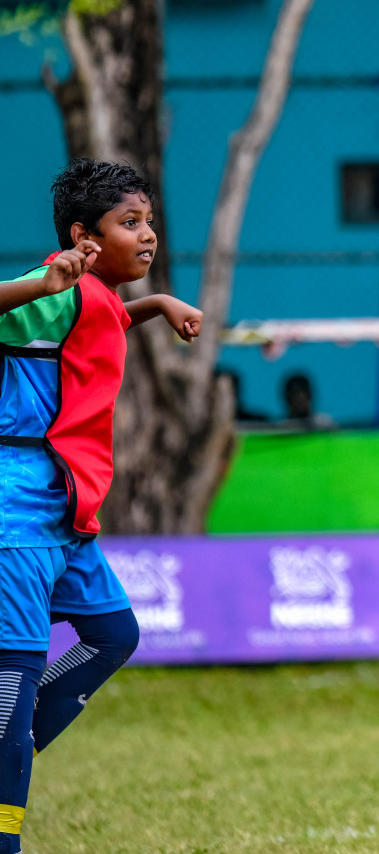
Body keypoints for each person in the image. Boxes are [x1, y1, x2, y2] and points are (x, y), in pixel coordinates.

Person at [0, 158, 202, 854]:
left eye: (149, 221)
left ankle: (13, 742)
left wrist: (158, 305)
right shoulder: (54, 288)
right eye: (130, 223)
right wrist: (39, 282)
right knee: (9, 705)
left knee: (112, 633)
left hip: (64, 514)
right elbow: (55, 302)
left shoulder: (94, 295)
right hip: (17, 515)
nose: (148, 236)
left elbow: (105, 317)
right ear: (85, 236)